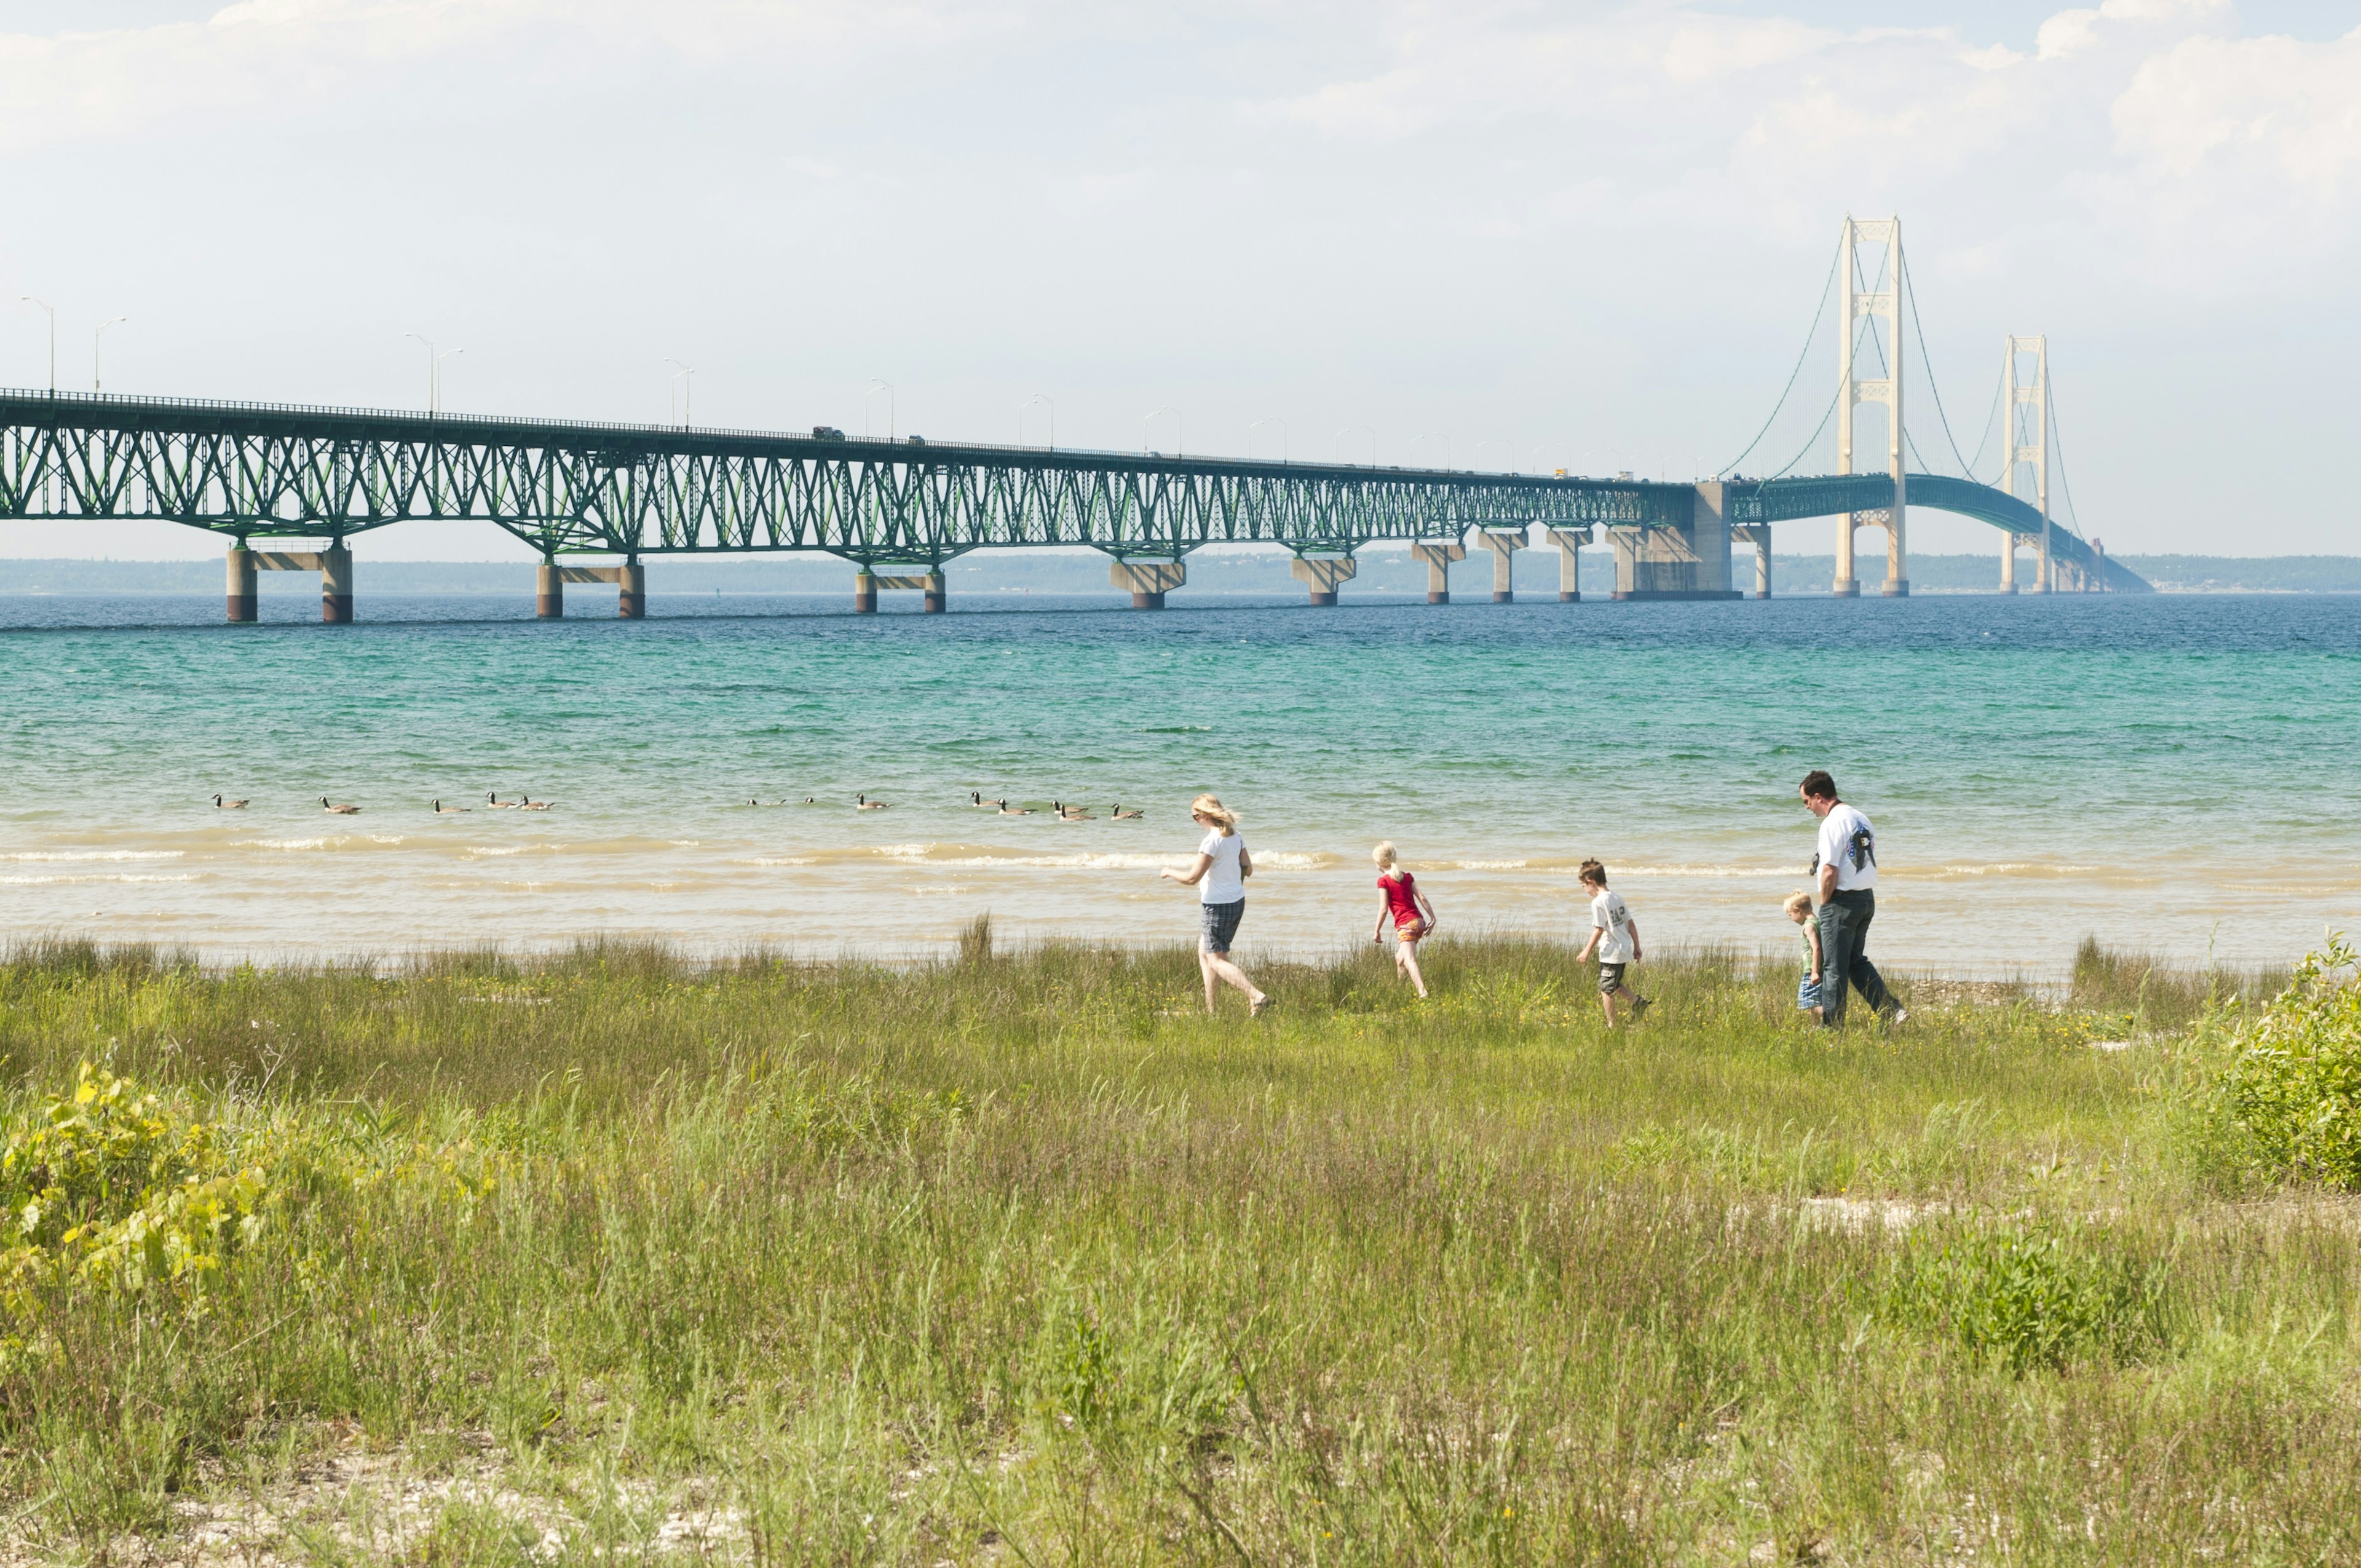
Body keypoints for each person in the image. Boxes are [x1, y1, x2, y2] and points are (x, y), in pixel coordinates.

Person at [1799, 770, 1905, 1028]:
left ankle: (1831, 1029)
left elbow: (1829, 870)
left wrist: (1826, 904)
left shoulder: (1832, 822)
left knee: (1833, 968)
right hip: (1866, 898)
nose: (1808, 808)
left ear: (1818, 796)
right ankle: (1891, 1011)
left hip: (1842, 901)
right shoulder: (1861, 817)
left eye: (1807, 802)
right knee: (1855, 961)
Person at [1159, 793, 1270, 1017]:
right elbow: (1248, 870)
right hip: (1236, 903)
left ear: (1205, 815)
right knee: (1205, 953)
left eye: (1195, 817)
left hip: (1217, 907)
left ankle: (1256, 996)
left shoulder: (1211, 841)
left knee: (1216, 960)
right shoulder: (1235, 836)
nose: (1195, 822)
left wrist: (1168, 871)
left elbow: (1192, 879)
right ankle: (1212, 1012)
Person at [1572, 859, 1649, 1024]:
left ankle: (1612, 1025)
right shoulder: (1617, 898)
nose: (1585, 891)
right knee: (1613, 983)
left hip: (1611, 952)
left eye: (1584, 887)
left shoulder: (1598, 902)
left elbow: (1599, 929)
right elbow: (1631, 924)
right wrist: (1637, 947)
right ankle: (1638, 1003)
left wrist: (1586, 951)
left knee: (1606, 989)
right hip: (1623, 950)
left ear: (1590, 882)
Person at [1369, 841, 1438, 999]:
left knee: (1410, 960)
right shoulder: (1407, 877)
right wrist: (1432, 918)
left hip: (1406, 925)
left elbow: (1384, 909)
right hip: (1419, 922)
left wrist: (1377, 931)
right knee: (1400, 958)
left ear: (1379, 863)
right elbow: (1422, 898)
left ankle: (1423, 992)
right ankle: (1401, 991)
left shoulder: (1383, 881)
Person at [1784, 891, 1824, 1024]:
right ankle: (1816, 1027)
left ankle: (1830, 1013)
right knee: (1814, 1001)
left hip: (1812, 972)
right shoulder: (1818, 922)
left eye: (1791, 915)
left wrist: (1814, 972)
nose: (1792, 919)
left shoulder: (1809, 926)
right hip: (1819, 970)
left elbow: (1816, 948)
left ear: (1798, 910)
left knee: (1807, 1001)